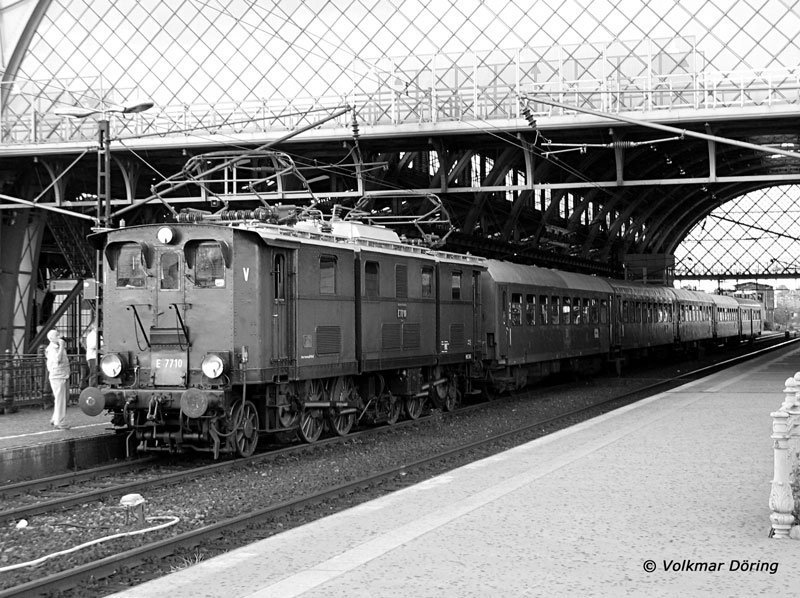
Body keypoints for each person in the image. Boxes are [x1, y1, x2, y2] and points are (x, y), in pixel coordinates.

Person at [45, 329, 70, 429]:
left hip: (62, 375)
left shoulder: (57, 347)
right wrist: (62, 347)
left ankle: (55, 418)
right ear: (51, 338)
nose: (59, 336)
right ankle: (59, 421)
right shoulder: (52, 349)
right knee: (61, 399)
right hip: (58, 375)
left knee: (60, 398)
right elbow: (58, 360)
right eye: (57, 335)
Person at [83, 320, 100, 387]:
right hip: (93, 357)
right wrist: (101, 346)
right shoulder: (92, 335)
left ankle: (95, 386)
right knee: (94, 373)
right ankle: (92, 387)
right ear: (93, 327)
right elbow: (92, 346)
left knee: (95, 373)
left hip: (95, 356)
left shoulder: (97, 334)